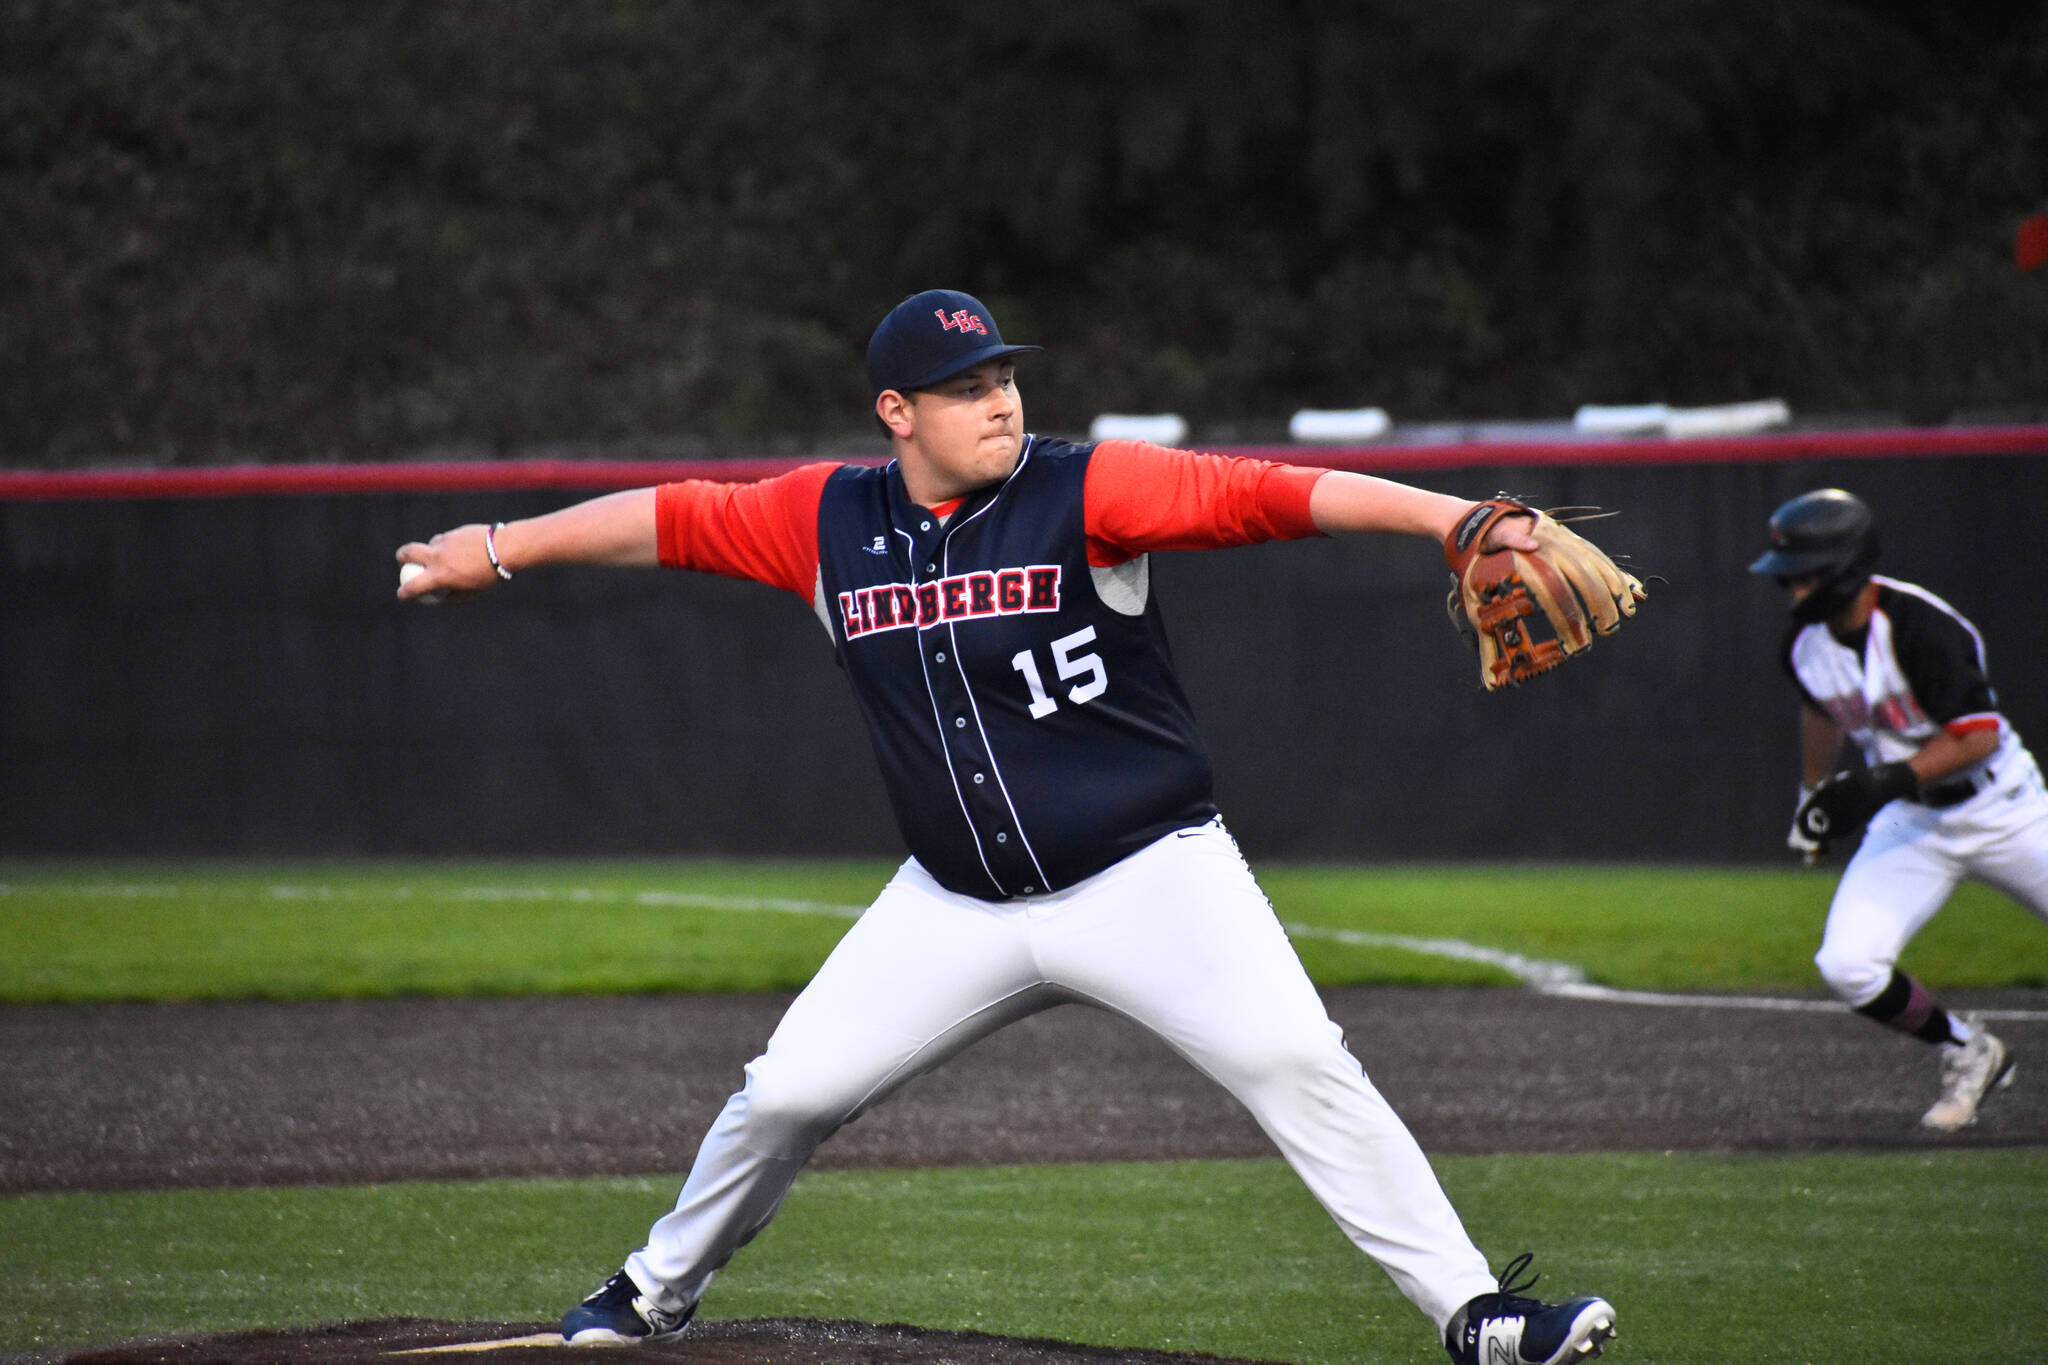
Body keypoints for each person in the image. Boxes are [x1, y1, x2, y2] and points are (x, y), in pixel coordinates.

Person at [397, 290, 1619, 1365]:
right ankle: (651, 1294)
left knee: (1295, 1063)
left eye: (1003, 377)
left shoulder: (1089, 484)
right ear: (896, 411)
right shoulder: (825, 520)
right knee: (785, 1097)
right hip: (954, 903)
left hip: (1148, 875)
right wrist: (497, 549)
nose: (998, 403)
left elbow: (1266, 496)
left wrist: (1447, 518)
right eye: (963, 388)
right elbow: (668, 518)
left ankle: (1476, 1317)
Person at [1750, 487, 2046, 1131]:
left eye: (1806, 577)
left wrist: (1883, 780)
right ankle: (1970, 1050)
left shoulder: (1920, 626)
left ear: (1847, 567)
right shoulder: (1807, 646)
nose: (1796, 593)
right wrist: (1812, 797)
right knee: (1848, 964)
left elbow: (1979, 736)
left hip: (2004, 805)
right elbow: (1822, 711)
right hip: (1912, 820)